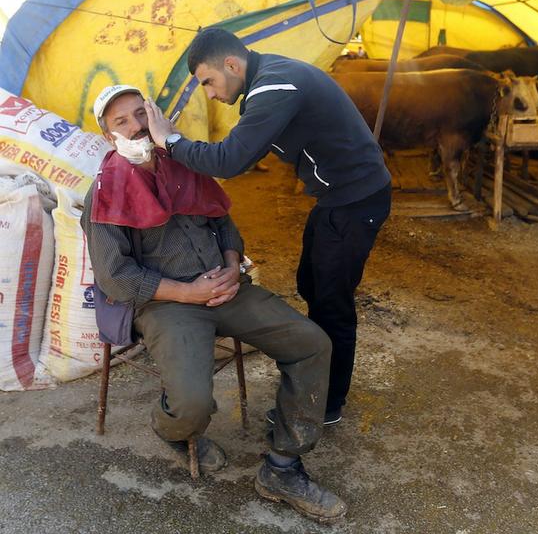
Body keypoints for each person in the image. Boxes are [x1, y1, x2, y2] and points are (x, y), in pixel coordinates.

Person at [81, 84, 347, 523]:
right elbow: (116, 277)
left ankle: (283, 466)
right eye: (120, 122)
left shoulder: (186, 162)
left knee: (312, 343)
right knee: (191, 405)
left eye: (140, 113)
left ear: (155, 115)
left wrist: (230, 266)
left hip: (224, 288)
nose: (136, 126)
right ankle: (170, 427)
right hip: (168, 302)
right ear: (110, 137)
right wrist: (187, 292)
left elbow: (224, 224)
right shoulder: (105, 192)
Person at [144, 28, 391, 427]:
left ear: (231, 64)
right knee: (311, 283)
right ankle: (319, 382)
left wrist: (169, 142)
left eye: (208, 81)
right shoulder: (269, 79)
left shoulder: (276, 85)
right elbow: (238, 151)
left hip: (355, 201)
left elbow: (229, 161)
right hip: (337, 198)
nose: (208, 93)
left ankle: (325, 405)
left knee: (333, 302)